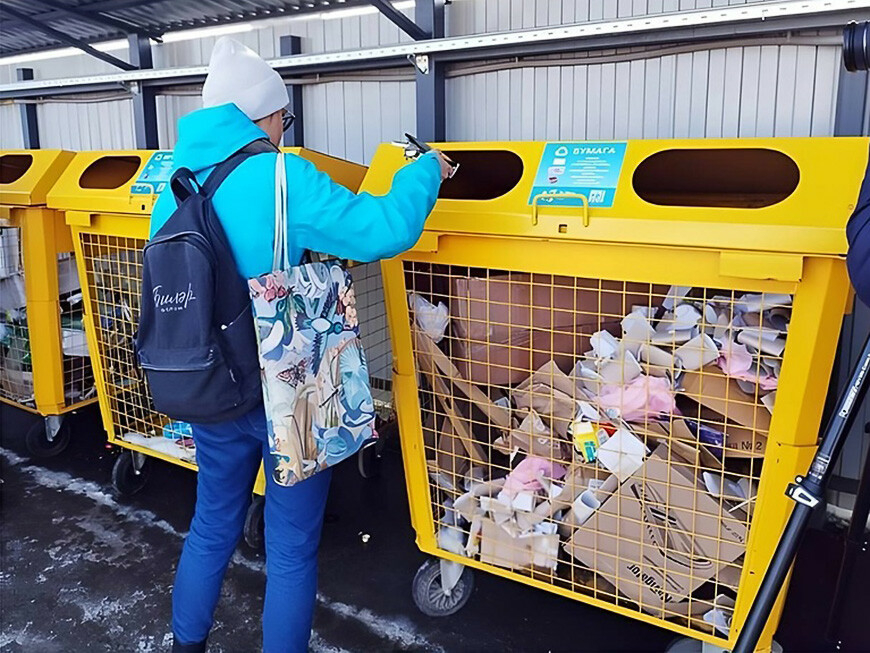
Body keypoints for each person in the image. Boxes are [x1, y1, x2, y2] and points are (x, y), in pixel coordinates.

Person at [150, 37, 453, 653]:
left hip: (211, 388)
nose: (286, 130)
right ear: (263, 116)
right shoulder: (281, 176)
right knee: (290, 551)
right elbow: (379, 231)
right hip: (287, 395)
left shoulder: (173, 185)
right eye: (284, 118)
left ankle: (186, 645)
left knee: (211, 525)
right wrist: (426, 171)